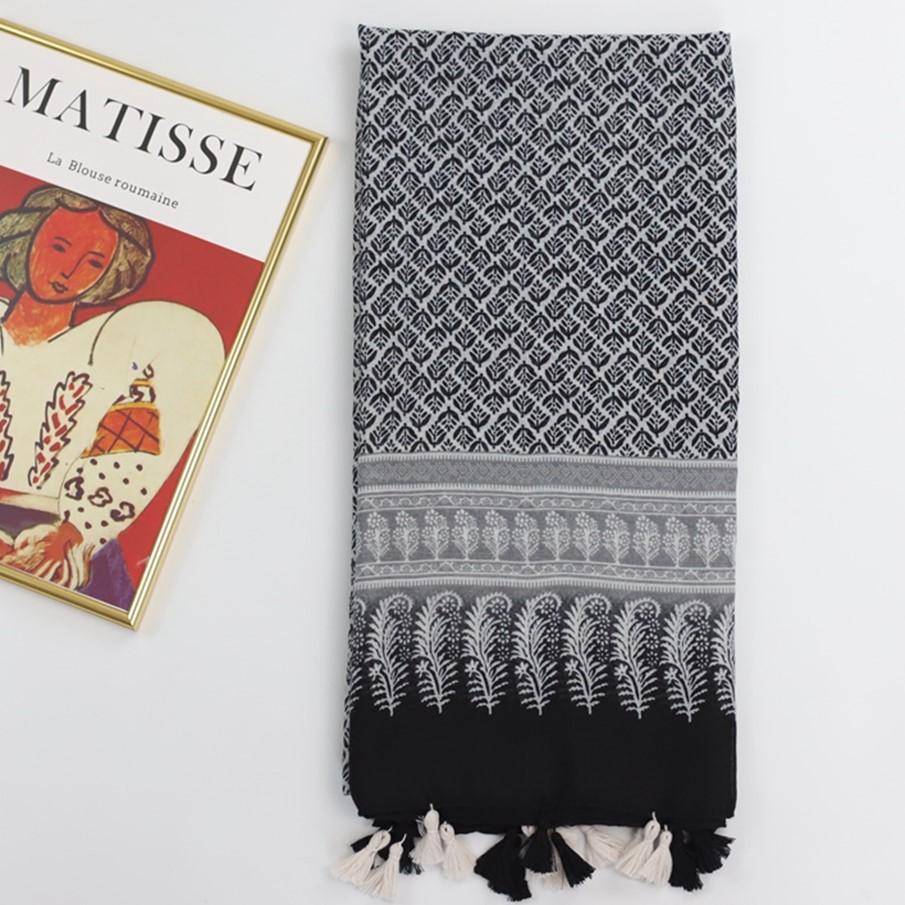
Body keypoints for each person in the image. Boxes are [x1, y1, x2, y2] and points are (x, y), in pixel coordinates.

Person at [0, 185, 224, 604]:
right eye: (59, 247)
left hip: (61, 543)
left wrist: (74, 533)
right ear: (26, 237)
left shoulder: (123, 343)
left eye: (94, 262)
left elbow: (135, 449)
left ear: (110, 272)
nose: (68, 270)